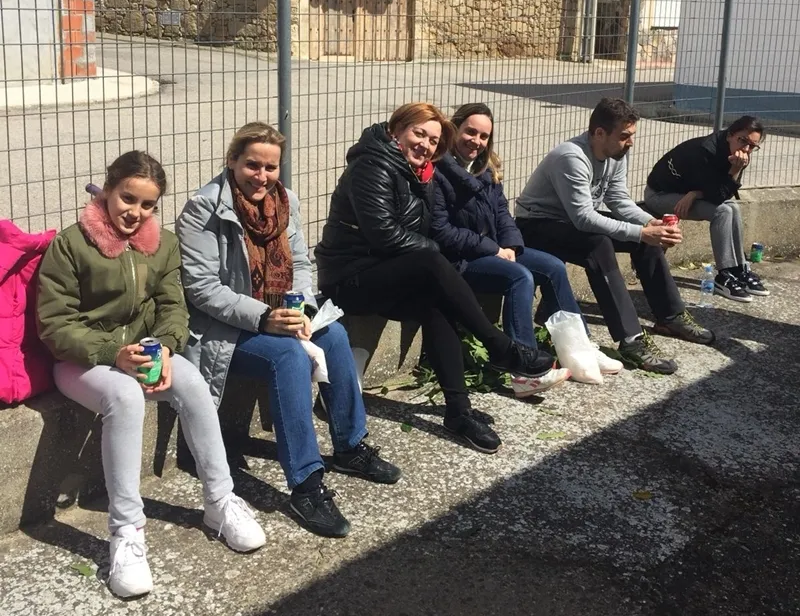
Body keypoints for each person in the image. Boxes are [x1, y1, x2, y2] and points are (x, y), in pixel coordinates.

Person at [36, 151, 266, 599]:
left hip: (142, 353)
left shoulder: (162, 243)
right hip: (79, 362)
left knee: (193, 382)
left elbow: (172, 306)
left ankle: (220, 501)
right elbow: (55, 325)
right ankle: (126, 532)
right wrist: (112, 353)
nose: (135, 213)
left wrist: (163, 347)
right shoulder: (71, 244)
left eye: (148, 205)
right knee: (124, 396)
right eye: (128, 199)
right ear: (108, 189)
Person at [176, 122, 400, 540]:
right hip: (225, 329)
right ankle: (306, 485)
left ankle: (350, 446)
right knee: (288, 356)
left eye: (271, 167)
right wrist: (266, 318)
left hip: (278, 314)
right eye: (252, 165)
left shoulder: (285, 202)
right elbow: (203, 290)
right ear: (232, 161)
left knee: (333, 336)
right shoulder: (203, 210)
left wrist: (303, 310)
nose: (262, 176)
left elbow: (300, 264)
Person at [315, 102, 556, 456]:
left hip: (386, 272)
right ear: (396, 130)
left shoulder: (421, 173)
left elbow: (425, 230)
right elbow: (384, 234)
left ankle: (458, 412)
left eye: (432, 141)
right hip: (349, 277)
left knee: (436, 304)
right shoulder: (371, 165)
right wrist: (434, 253)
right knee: (431, 260)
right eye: (419, 134)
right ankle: (499, 346)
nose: (425, 145)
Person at [430, 103, 622, 393]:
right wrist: (493, 249)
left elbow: (502, 212)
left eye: (484, 136)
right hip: (459, 259)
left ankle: (578, 349)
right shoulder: (438, 170)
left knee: (553, 267)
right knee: (520, 276)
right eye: (470, 132)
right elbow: (441, 230)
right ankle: (524, 369)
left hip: (493, 249)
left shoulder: (486, 167)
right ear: (454, 128)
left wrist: (510, 243)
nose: (476, 141)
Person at [515, 98, 715, 375]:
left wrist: (650, 224)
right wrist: (641, 232)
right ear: (599, 133)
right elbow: (584, 218)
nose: (630, 142)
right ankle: (631, 339)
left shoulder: (616, 153)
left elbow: (619, 200)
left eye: (631, 135)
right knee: (600, 245)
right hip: (536, 225)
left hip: (571, 221)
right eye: (624, 136)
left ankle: (670, 316)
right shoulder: (571, 157)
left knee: (646, 241)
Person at [644, 115, 767, 302]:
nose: (746, 149)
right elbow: (717, 196)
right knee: (723, 211)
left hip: (686, 194)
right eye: (743, 140)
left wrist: (695, 193)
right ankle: (724, 275)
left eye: (752, 146)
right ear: (730, 135)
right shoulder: (706, 151)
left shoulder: (738, 155)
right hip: (659, 195)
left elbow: (722, 194)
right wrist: (733, 172)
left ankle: (739, 269)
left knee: (732, 207)